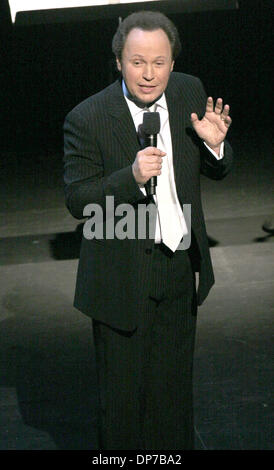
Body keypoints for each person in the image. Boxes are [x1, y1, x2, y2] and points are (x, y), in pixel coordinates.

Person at [63, 10, 233, 450]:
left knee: (174, 397)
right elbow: (78, 201)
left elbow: (217, 167)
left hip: (178, 266)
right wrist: (130, 178)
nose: (148, 74)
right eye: (137, 62)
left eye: (159, 62)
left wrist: (216, 147)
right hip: (120, 276)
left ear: (172, 63)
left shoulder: (188, 91)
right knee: (121, 404)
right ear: (118, 61)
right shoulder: (87, 117)